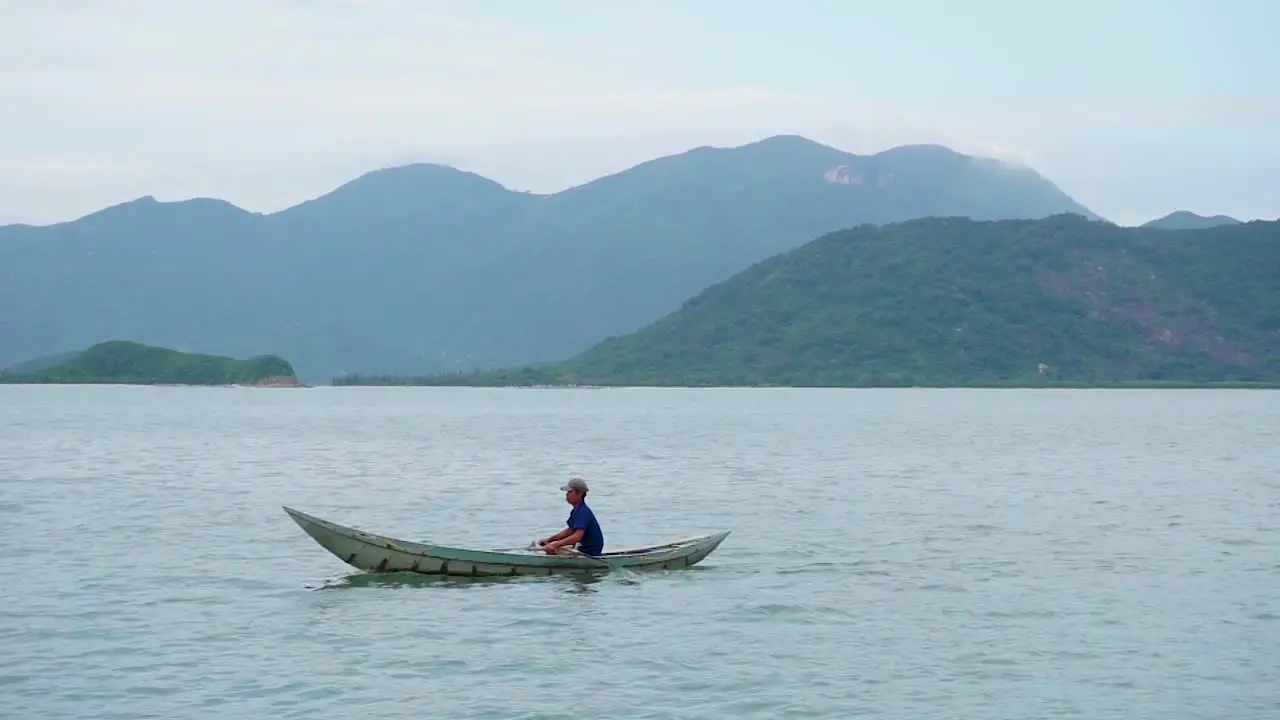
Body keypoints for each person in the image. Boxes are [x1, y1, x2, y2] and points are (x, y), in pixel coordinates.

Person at [537, 476, 605, 556]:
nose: (567, 495)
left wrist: (555, 545)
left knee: (552, 549)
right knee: (550, 547)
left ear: (579, 493)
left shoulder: (583, 512)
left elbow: (577, 536)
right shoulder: (575, 511)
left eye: (570, 492)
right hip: (580, 547)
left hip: (589, 552)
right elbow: (570, 531)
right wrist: (550, 540)